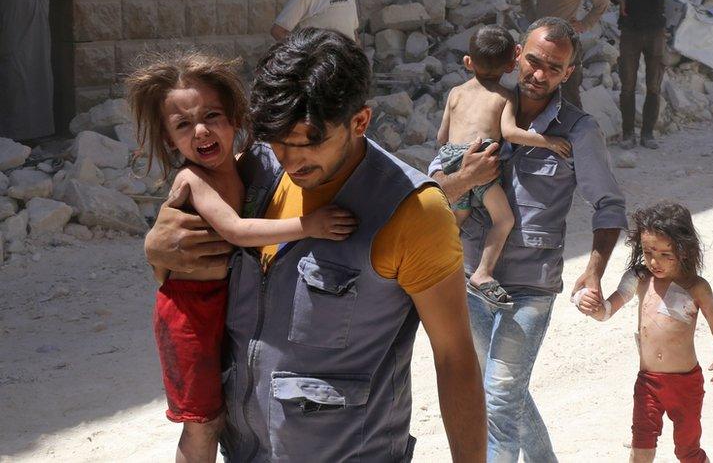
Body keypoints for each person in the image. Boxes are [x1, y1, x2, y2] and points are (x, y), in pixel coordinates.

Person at [143, 28, 487, 461]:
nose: (290, 160)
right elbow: (187, 252)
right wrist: (156, 248)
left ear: (360, 121)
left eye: (308, 143)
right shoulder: (256, 171)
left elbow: (456, 359)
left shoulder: (415, 214)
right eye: (278, 141)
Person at [126, 52, 358, 462]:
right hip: (189, 317)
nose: (201, 130)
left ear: (234, 116)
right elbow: (235, 230)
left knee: (226, 409)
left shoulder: (243, 165)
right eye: (183, 125)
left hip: (225, 309)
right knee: (202, 422)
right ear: (169, 140)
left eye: (212, 116)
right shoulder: (193, 179)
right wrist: (310, 224)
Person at [431, 17, 628, 462]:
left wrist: (594, 270)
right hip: (469, 279)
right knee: (504, 391)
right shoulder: (478, 105)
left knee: (499, 396)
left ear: (568, 73)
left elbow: (609, 206)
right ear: (518, 54)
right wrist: (468, 177)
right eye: (534, 61)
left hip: (530, 288)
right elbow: (436, 185)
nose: (539, 75)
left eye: (554, 68)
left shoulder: (578, 131)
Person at [574, 201, 713, 463]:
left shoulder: (696, 287)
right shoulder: (638, 278)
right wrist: (588, 304)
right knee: (640, 451)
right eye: (648, 252)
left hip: (686, 385)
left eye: (665, 254)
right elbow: (605, 311)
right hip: (648, 383)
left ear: (683, 250)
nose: (654, 261)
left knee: (687, 451)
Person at [437, 25, 572, 309]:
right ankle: (483, 274)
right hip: (483, 161)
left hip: (453, 161)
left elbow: (441, 137)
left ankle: (439, 269)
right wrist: (547, 141)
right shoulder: (504, 97)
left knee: (457, 220)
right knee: (504, 220)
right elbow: (510, 133)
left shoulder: (455, 93)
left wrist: (457, 162)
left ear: (467, 62)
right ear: (513, 63)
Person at [0, 0, 81, 141]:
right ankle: (12, 143)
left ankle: (36, 138)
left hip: (39, 44)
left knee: (39, 89)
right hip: (14, 43)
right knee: (15, 92)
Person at [600, 0, 674, 150]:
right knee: (627, 86)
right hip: (631, 31)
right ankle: (627, 134)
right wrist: (619, 0)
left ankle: (648, 134)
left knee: (654, 85)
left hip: (655, 32)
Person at [519, 0, 610, 108]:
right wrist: (533, 19)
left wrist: (584, 24)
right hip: (541, 40)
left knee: (570, 91)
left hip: (567, 40)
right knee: (537, 87)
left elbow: (602, 2)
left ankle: (575, 132)